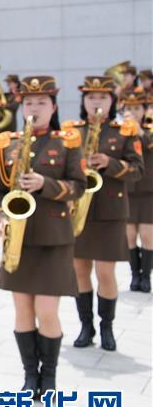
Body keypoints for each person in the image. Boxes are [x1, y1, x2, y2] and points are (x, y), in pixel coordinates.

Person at [0, 76, 86, 399]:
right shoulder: (8, 143)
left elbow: (80, 186)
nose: (34, 108)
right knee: (22, 311)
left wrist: (45, 184)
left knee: (47, 311)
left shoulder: (68, 142)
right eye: (29, 102)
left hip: (54, 238)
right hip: (19, 240)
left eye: (41, 102)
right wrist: (1, 220)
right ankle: (30, 376)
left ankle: (50, 377)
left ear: (53, 106)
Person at [68, 76, 143, 352]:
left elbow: (138, 170)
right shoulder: (71, 131)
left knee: (106, 272)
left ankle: (107, 327)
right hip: (79, 211)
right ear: (83, 101)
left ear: (112, 101)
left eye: (102, 97)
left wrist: (110, 163)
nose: (96, 102)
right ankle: (85, 327)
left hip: (111, 210)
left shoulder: (124, 131)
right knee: (79, 270)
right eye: (90, 97)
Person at [123, 88, 152, 292]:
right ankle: (135, 274)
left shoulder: (149, 131)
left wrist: (140, 132)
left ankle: (146, 276)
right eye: (129, 108)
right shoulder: (121, 132)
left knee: (148, 234)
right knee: (130, 235)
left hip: (149, 191)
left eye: (137, 108)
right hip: (128, 191)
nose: (133, 112)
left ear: (144, 109)